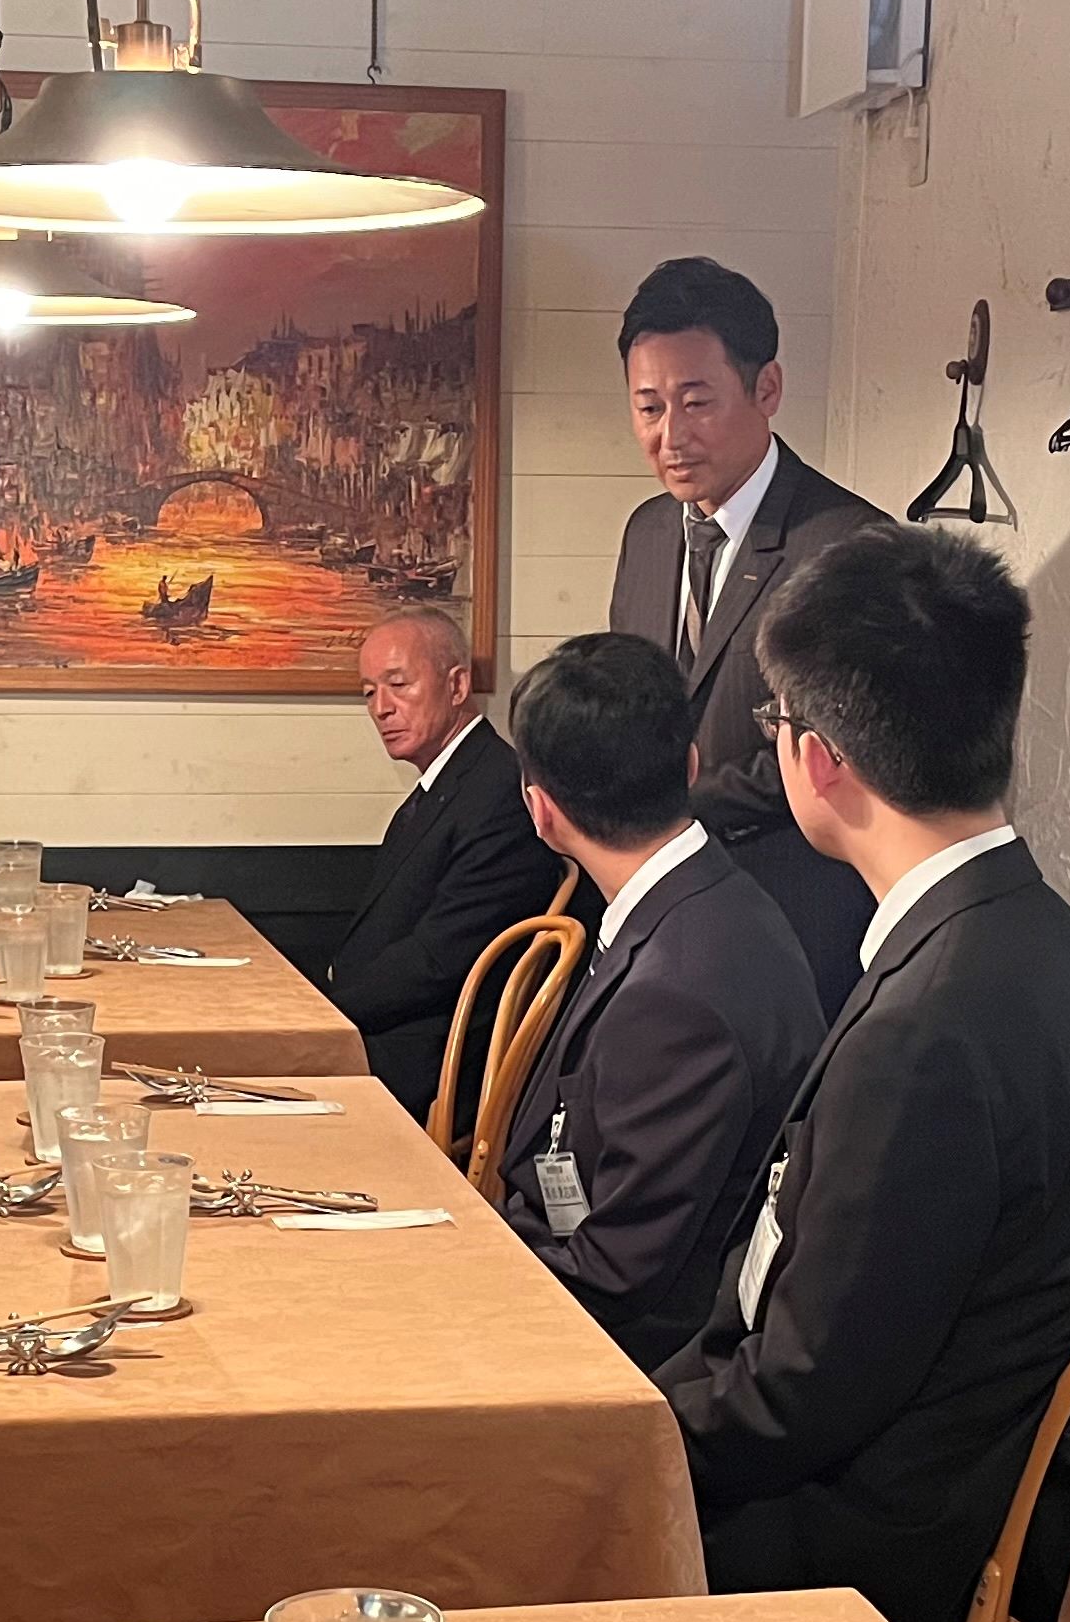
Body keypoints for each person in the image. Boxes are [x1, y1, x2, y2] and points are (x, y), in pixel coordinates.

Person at [657, 524, 1070, 1622]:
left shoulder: (931, 1027)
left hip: (857, 1535)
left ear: (818, 760)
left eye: (774, 723)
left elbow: (801, 1397)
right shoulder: (1047, 939)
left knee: (478, 1527)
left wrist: (620, 1440)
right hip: (904, 1464)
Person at [492, 631, 821, 1366]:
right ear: (692, 764)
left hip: (642, 1358)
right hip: (583, 1272)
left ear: (540, 811)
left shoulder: (679, 990)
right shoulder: (706, 899)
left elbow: (616, 1278)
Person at [604, 255, 883, 1013]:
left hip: (792, 926)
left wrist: (664, 808)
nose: (670, 436)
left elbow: (837, 749)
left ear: (767, 389)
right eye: (648, 408)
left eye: (696, 403)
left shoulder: (847, 544)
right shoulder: (647, 533)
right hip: (660, 918)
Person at [326, 607, 563, 1118]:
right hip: (392, 1030)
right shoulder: (444, 788)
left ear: (457, 686)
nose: (381, 708)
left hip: (436, 1060)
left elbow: (439, 961)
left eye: (398, 685)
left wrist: (323, 1012)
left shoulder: (499, 793)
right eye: (368, 692)